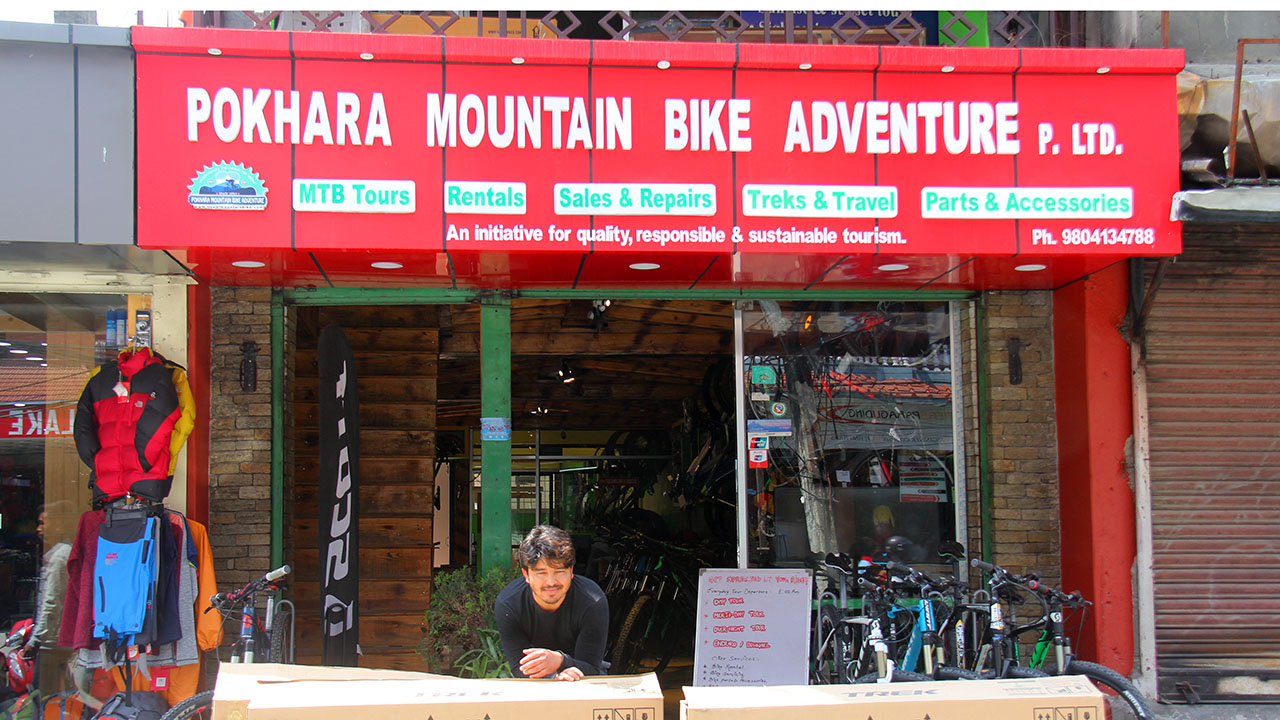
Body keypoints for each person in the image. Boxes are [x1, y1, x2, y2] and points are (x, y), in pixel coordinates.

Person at [495, 525, 608, 681]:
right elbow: (520, 667)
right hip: (535, 681)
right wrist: (554, 677)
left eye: (559, 571)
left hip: (583, 678)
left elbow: (591, 668)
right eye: (541, 573)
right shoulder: (509, 604)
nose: (551, 582)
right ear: (526, 574)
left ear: (571, 571)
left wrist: (560, 661)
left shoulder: (592, 601)